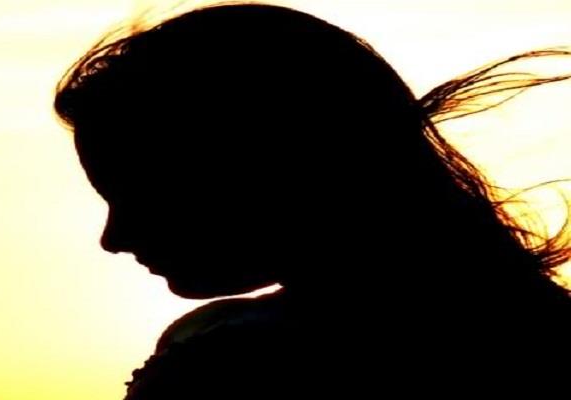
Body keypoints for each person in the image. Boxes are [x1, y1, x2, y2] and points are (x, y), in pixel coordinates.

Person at [54, 3, 571, 396]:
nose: (114, 239)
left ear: (268, 172)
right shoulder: (532, 330)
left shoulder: (237, 368)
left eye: (143, 197)